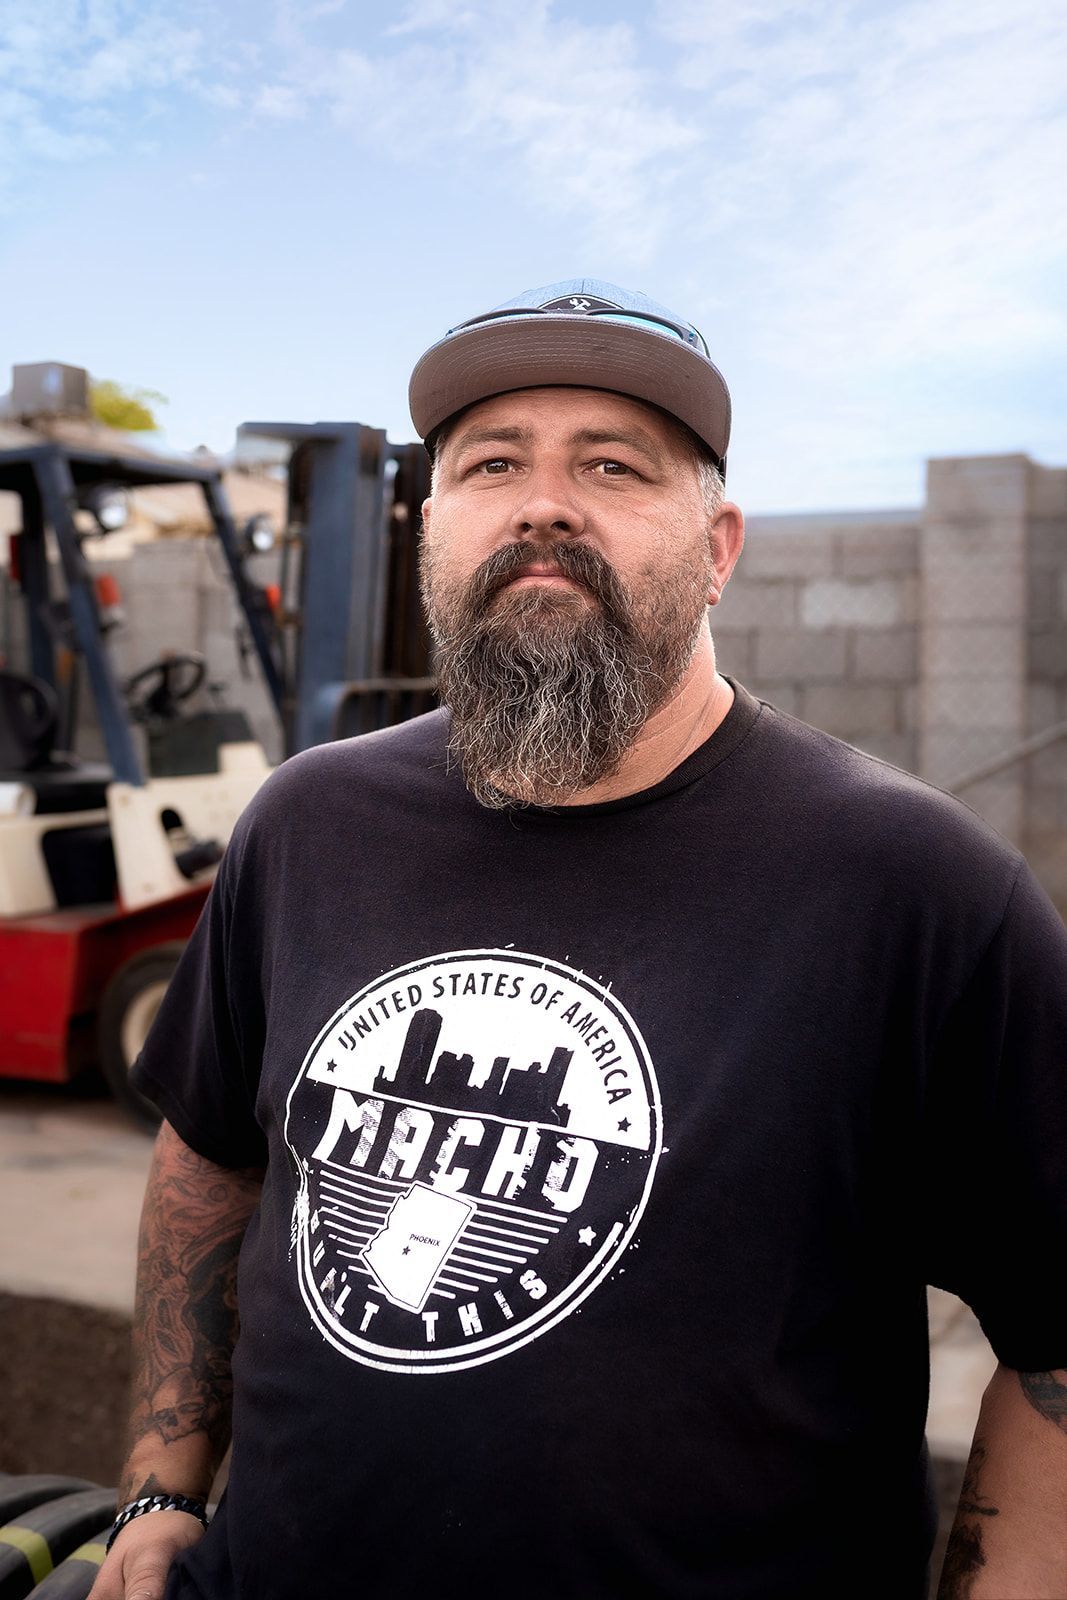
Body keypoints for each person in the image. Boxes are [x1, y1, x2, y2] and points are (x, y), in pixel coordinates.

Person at [91, 281, 1067, 1600]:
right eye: (492, 464)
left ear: (718, 546)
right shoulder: (306, 821)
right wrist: (163, 1481)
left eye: (613, 464)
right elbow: (212, 1153)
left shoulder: (918, 886)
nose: (545, 502)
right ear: (434, 533)